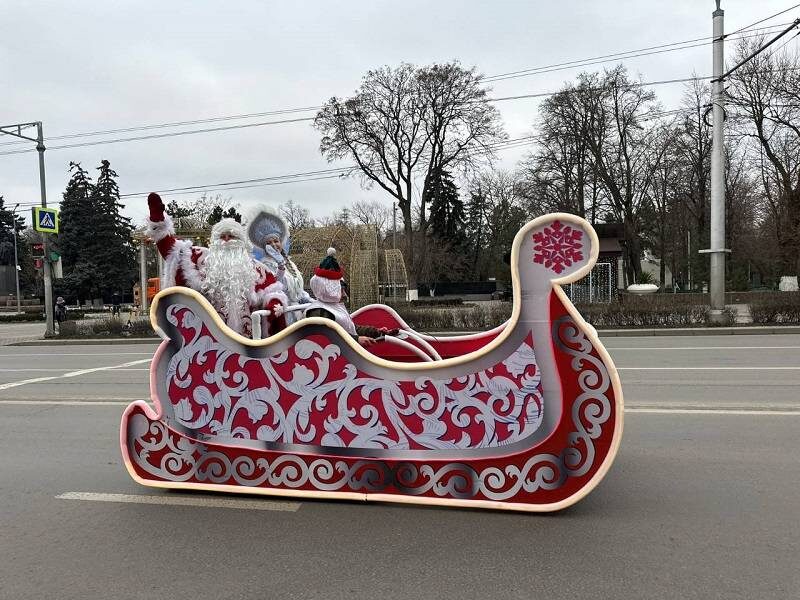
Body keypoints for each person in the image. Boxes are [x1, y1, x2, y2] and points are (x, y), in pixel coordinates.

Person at [144, 192, 287, 337]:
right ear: (214, 240)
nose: (227, 240)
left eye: (232, 236)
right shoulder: (201, 259)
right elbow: (173, 250)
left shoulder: (256, 268)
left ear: (241, 241)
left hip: (248, 341)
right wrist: (159, 221)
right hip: (209, 340)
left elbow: (274, 292)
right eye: (222, 237)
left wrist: (274, 303)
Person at [304, 249, 386, 347]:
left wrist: (376, 332)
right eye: (341, 290)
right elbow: (326, 337)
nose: (344, 295)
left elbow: (351, 328)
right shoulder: (319, 311)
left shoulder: (334, 306)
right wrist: (357, 339)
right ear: (329, 289)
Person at [244, 204, 311, 324]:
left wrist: (308, 300)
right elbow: (275, 286)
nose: (274, 245)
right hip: (282, 314)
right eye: (269, 243)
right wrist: (280, 267)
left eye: (276, 241)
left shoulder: (290, 263)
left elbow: (298, 290)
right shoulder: (263, 266)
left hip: (298, 313)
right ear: (264, 247)